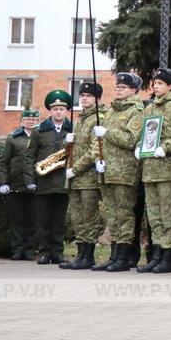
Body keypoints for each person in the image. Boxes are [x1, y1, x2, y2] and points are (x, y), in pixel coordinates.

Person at [136, 68, 171, 274]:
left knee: (168, 214)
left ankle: (169, 255)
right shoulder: (150, 109)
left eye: (159, 83)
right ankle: (157, 253)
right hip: (150, 169)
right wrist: (140, 147)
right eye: (154, 83)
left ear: (170, 86)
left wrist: (166, 147)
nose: (155, 86)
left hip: (168, 169)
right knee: (154, 215)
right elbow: (144, 134)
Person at [91, 72, 144, 272]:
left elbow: (131, 139)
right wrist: (97, 158)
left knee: (124, 214)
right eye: (118, 86)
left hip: (124, 171)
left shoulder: (136, 111)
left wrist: (107, 133)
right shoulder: (111, 111)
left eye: (123, 87)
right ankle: (114, 255)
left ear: (133, 90)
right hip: (107, 170)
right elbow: (98, 141)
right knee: (112, 215)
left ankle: (124, 256)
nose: (119, 89)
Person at [24, 89, 73, 266]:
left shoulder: (72, 130)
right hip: (43, 182)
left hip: (63, 181)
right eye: (55, 109)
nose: (58, 112)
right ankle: (44, 252)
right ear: (50, 111)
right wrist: (30, 180)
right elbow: (30, 156)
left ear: (67, 110)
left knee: (59, 221)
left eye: (61, 109)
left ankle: (58, 252)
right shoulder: (39, 131)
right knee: (43, 220)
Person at [61, 81, 107, 270]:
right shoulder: (80, 119)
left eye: (88, 96)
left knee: (89, 217)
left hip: (87, 178)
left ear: (97, 99)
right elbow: (75, 149)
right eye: (82, 96)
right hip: (75, 178)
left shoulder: (99, 118)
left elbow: (94, 150)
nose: (84, 98)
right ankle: (80, 253)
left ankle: (88, 255)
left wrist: (76, 169)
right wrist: (67, 143)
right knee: (76, 217)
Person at [0, 109, 39, 260]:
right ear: (22, 121)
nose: (30, 121)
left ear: (37, 121)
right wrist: (3, 182)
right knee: (17, 220)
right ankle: (17, 249)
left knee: (32, 219)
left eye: (33, 119)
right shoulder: (13, 138)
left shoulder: (41, 137)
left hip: (35, 184)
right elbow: (4, 162)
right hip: (15, 184)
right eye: (27, 119)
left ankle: (29, 250)